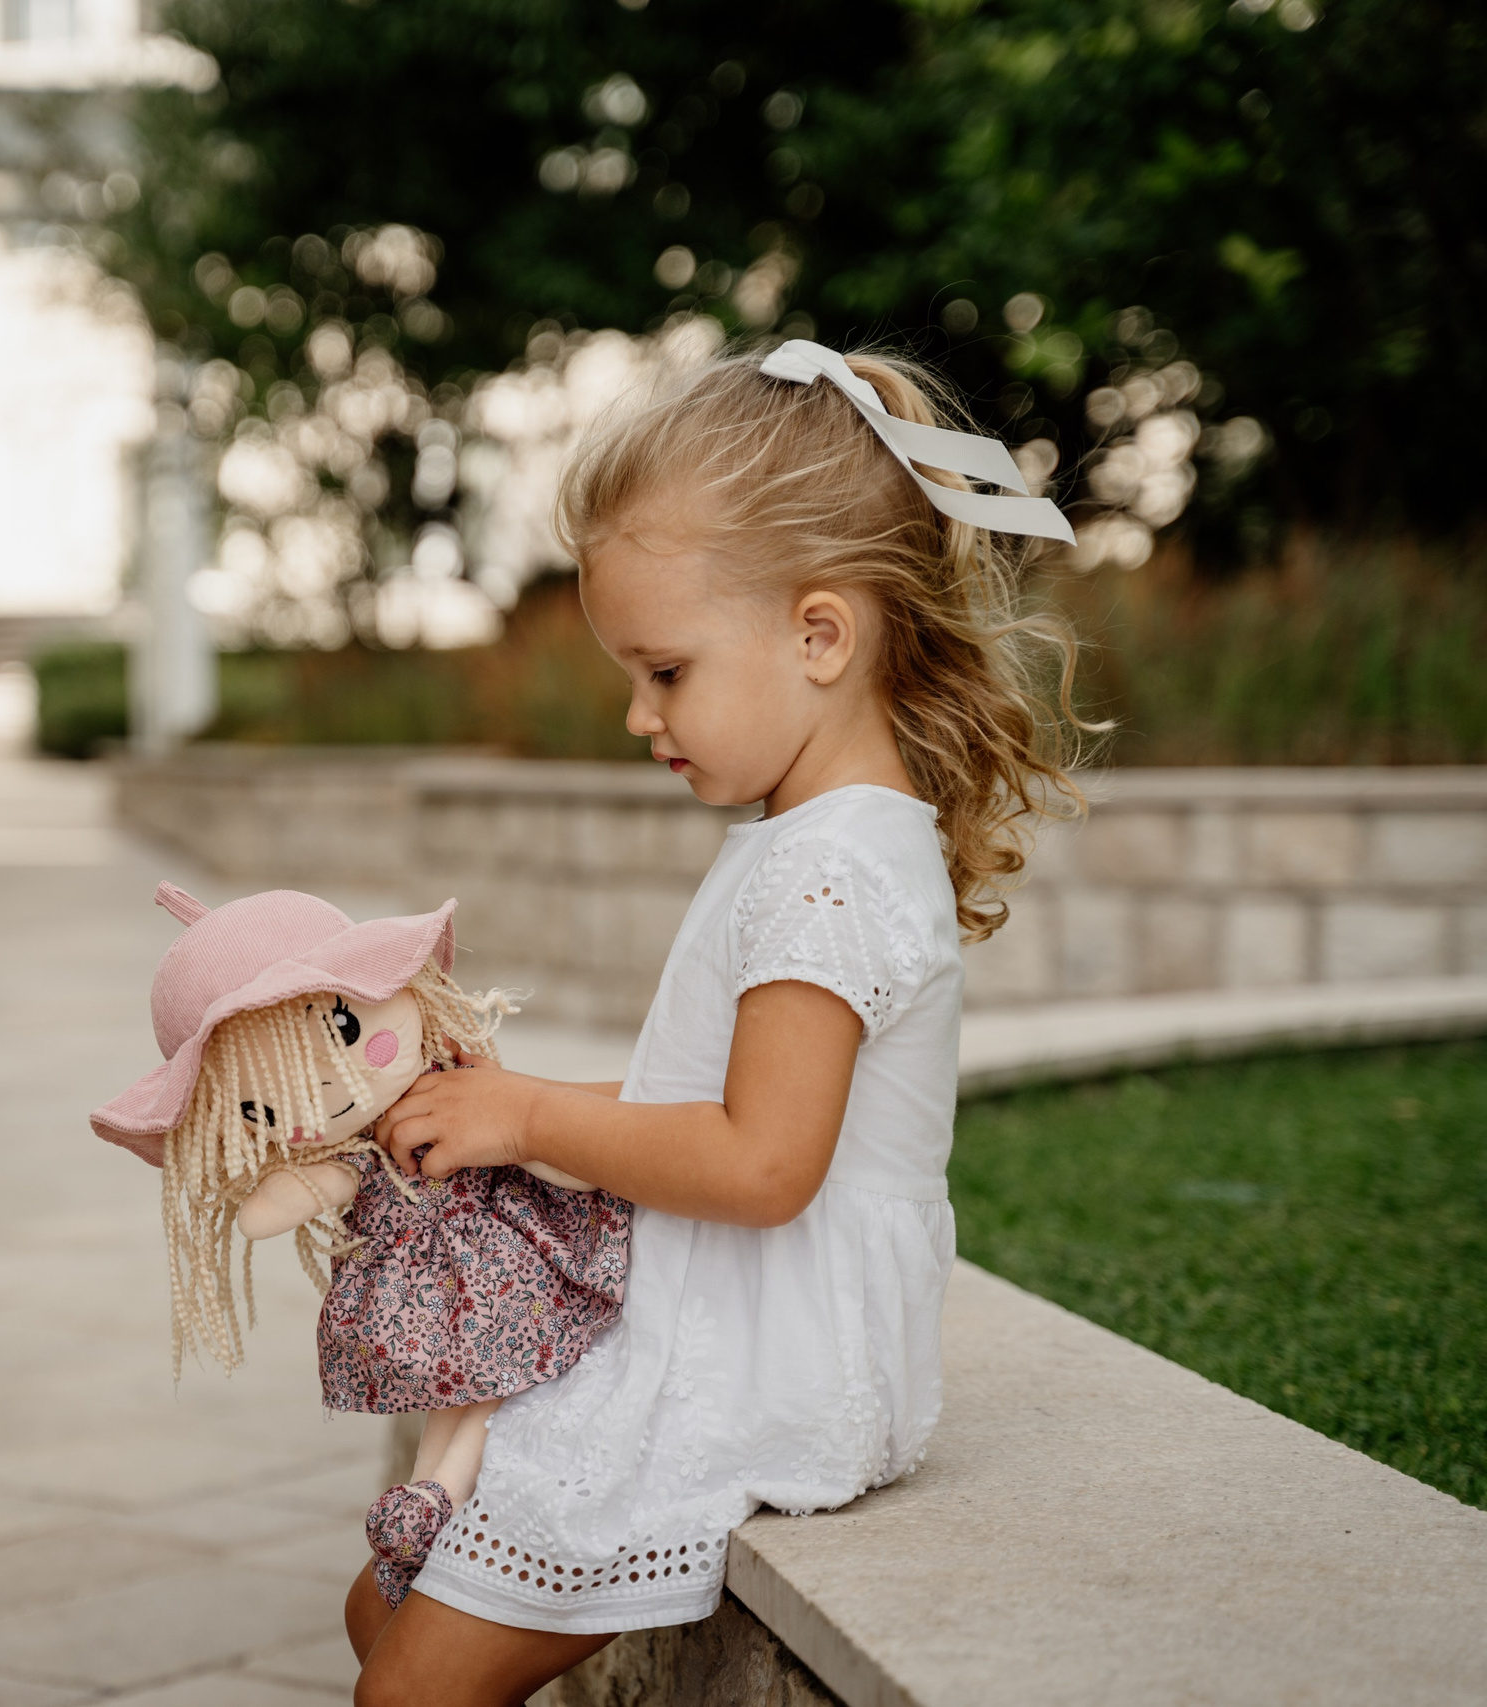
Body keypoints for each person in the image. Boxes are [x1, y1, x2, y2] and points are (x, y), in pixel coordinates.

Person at [344, 341, 1089, 1706]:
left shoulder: (831, 868)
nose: (640, 715)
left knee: (407, 1687)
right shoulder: (813, 837)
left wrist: (531, 1113)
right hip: (724, 1316)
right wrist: (513, 1116)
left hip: (763, 1364)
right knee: (379, 1608)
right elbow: (714, 1104)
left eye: (667, 671)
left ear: (820, 637)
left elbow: (763, 1163)